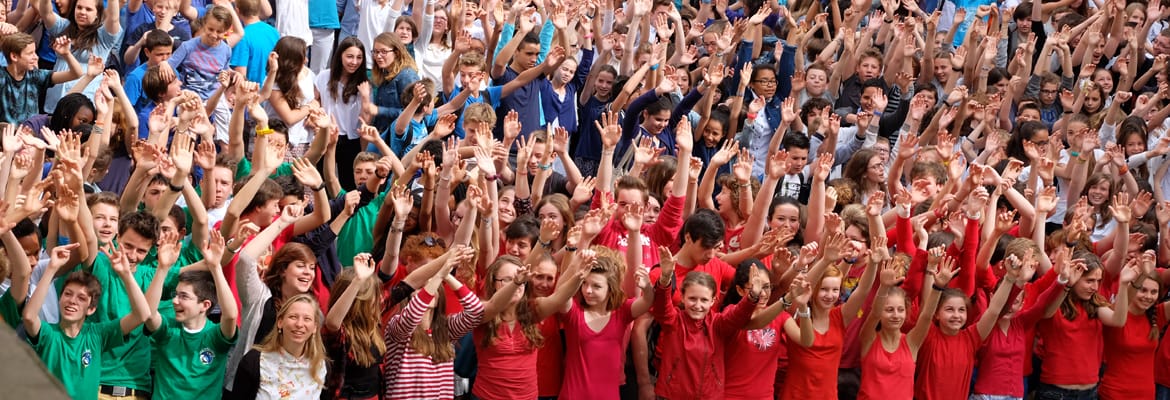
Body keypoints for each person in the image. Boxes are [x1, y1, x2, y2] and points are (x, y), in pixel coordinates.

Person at [228, 294, 328, 399]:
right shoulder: (254, 362)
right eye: (293, 317)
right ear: (280, 322)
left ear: (315, 328)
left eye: (307, 319)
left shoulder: (321, 366)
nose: (299, 324)